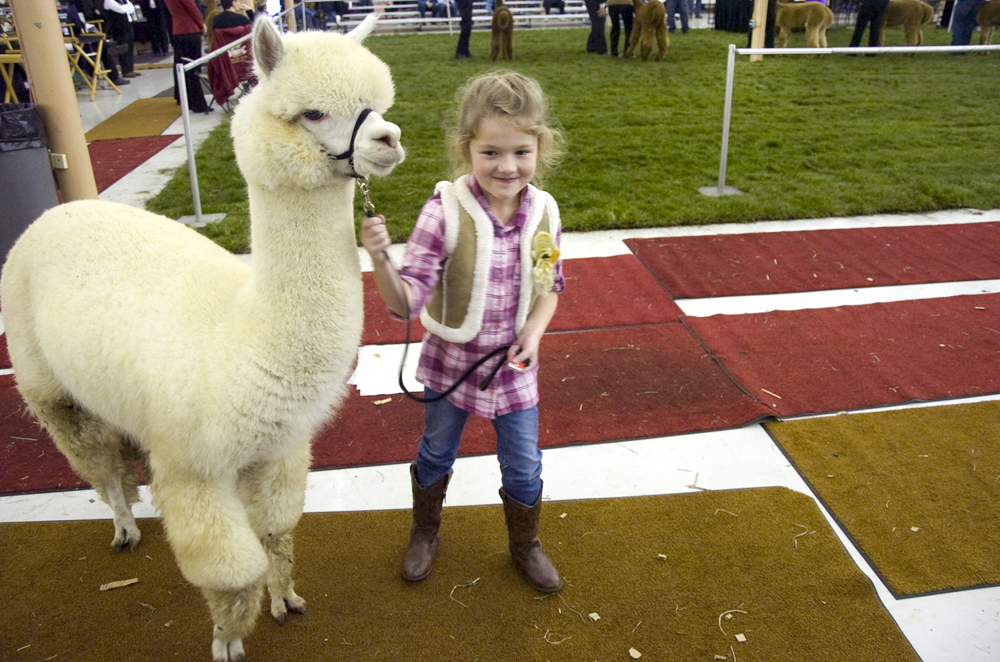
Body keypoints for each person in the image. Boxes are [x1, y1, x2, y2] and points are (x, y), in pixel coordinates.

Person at [360, 71, 566, 593]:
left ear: (539, 146)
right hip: (450, 366)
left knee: (524, 465)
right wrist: (381, 257)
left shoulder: (543, 211)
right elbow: (403, 303)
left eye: (521, 151)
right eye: (491, 152)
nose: (507, 166)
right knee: (435, 451)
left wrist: (535, 333)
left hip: (515, 369)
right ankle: (425, 531)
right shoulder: (443, 211)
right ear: (466, 148)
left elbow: (549, 286)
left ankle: (526, 545)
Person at [163, 0, 213, 113]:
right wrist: (201, 24)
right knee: (194, 68)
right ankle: (198, 104)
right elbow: (192, 8)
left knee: (183, 68)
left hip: (177, 29)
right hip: (190, 29)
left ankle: (187, 100)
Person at [103, 0, 139, 77]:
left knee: (130, 47)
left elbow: (132, 8)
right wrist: (125, 7)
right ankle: (125, 71)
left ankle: (130, 69)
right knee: (123, 48)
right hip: (119, 27)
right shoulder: (109, 1)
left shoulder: (122, 0)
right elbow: (120, 10)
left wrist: (123, 6)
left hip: (128, 25)